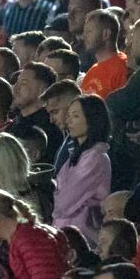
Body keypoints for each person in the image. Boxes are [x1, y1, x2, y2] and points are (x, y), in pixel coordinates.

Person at [51, 95, 112, 246]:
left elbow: (65, 201)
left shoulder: (95, 158)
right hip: (65, 232)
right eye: (69, 115)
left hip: (81, 238)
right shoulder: (77, 155)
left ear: (92, 119)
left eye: (76, 116)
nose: (69, 121)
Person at [80, 12, 129, 98]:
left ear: (106, 34)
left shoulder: (123, 67)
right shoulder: (91, 72)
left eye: (89, 31)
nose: (83, 37)